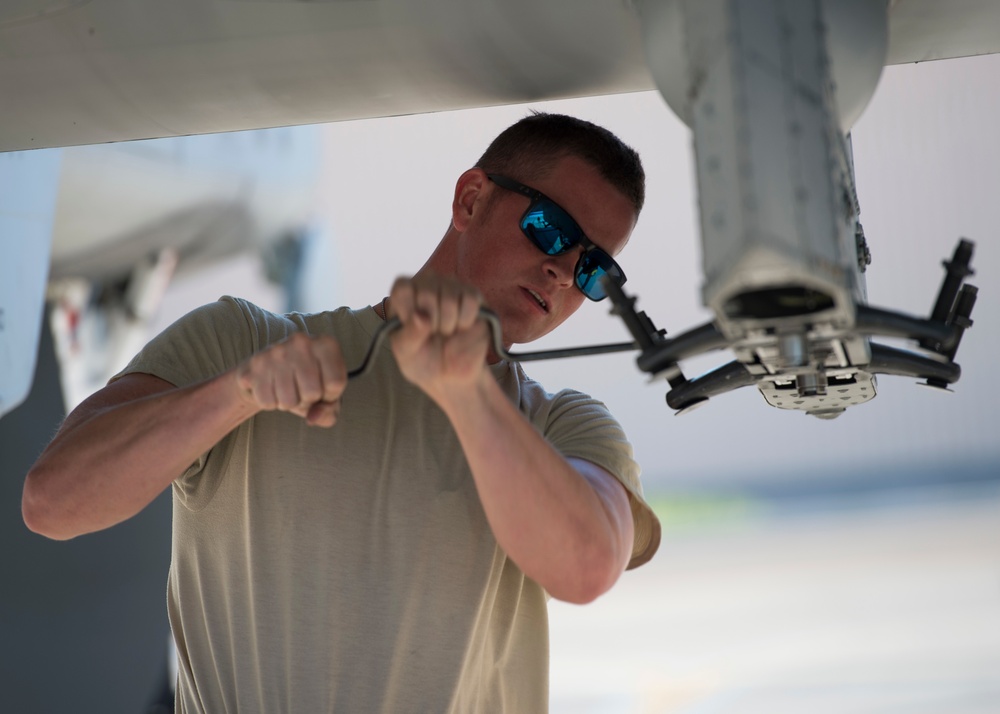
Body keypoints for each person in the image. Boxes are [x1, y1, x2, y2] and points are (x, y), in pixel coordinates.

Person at [23, 112, 662, 713]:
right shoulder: (242, 342)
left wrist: (465, 393)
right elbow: (53, 502)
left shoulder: (567, 426)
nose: (561, 272)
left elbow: (585, 567)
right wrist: (235, 394)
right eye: (550, 229)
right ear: (471, 199)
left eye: (593, 270)